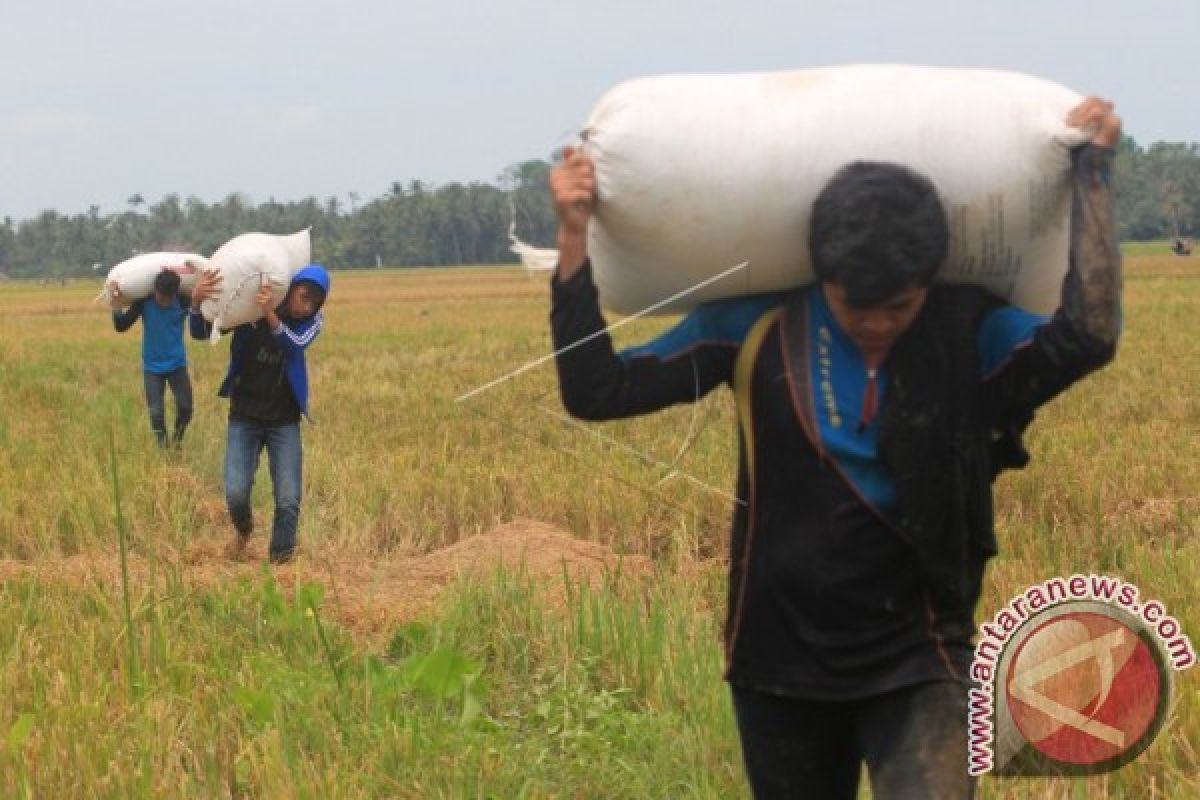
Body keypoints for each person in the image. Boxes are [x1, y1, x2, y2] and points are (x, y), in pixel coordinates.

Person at [547, 98, 1122, 798]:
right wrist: (573, 237)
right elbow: (597, 390)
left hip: (923, 657)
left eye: (899, 307)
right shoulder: (755, 325)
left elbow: (1087, 336)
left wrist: (1092, 172)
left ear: (929, 285)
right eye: (857, 307)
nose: (879, 324)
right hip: (776, 664)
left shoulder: (966, 331)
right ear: (822, 278)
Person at [189, 265, 331, 564]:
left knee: (289, 500)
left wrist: (269, 313)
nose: (305, 307)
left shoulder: (313, 321)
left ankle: (281, 565)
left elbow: (294, 345)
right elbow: (201, 332)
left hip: (284, 420)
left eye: (313, 303)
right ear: (291, 288)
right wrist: (195, 302)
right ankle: (244, 531)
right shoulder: (249, 310)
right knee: (236, 494)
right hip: (244, 415)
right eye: (303, 297)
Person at [110, 269, 194, 448]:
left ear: (174, 294)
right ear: (154, 290)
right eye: (159, 295)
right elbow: (121, 326)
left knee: (186, 408)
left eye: (166, 297)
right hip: (152, 367)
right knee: (156, 414)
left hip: (177, 364)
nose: (161, 300)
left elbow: (200, 316)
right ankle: (164, 450)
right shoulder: (144, 303)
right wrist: (116, 304)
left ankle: (177, 441)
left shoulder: (182, 302)